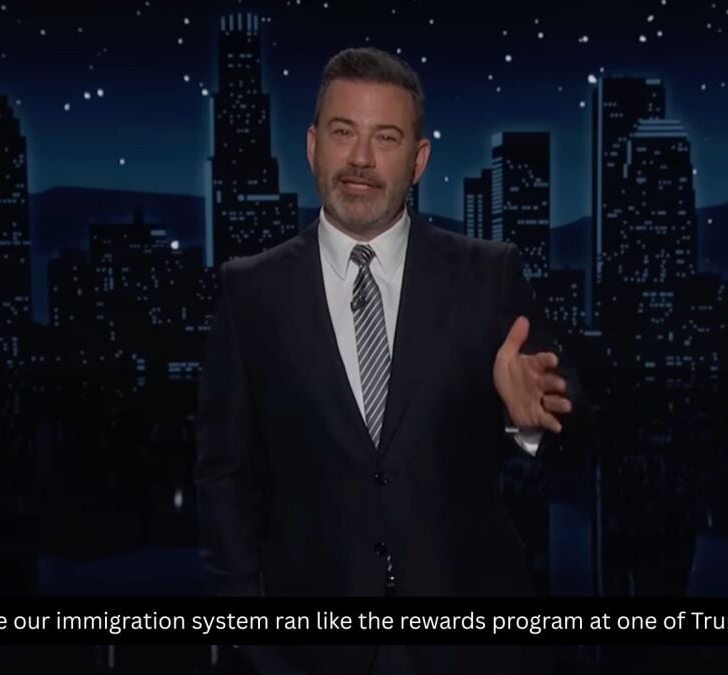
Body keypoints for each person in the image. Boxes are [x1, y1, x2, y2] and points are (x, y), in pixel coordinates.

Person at [195, 46, 591, 675]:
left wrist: (528, 418)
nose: (361, 158)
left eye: (385, 137)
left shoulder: (489, 275)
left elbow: (573, 414)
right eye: (342, 132)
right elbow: (224, 475)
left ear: (418, 159)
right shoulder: (250, 291)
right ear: (312, 146)